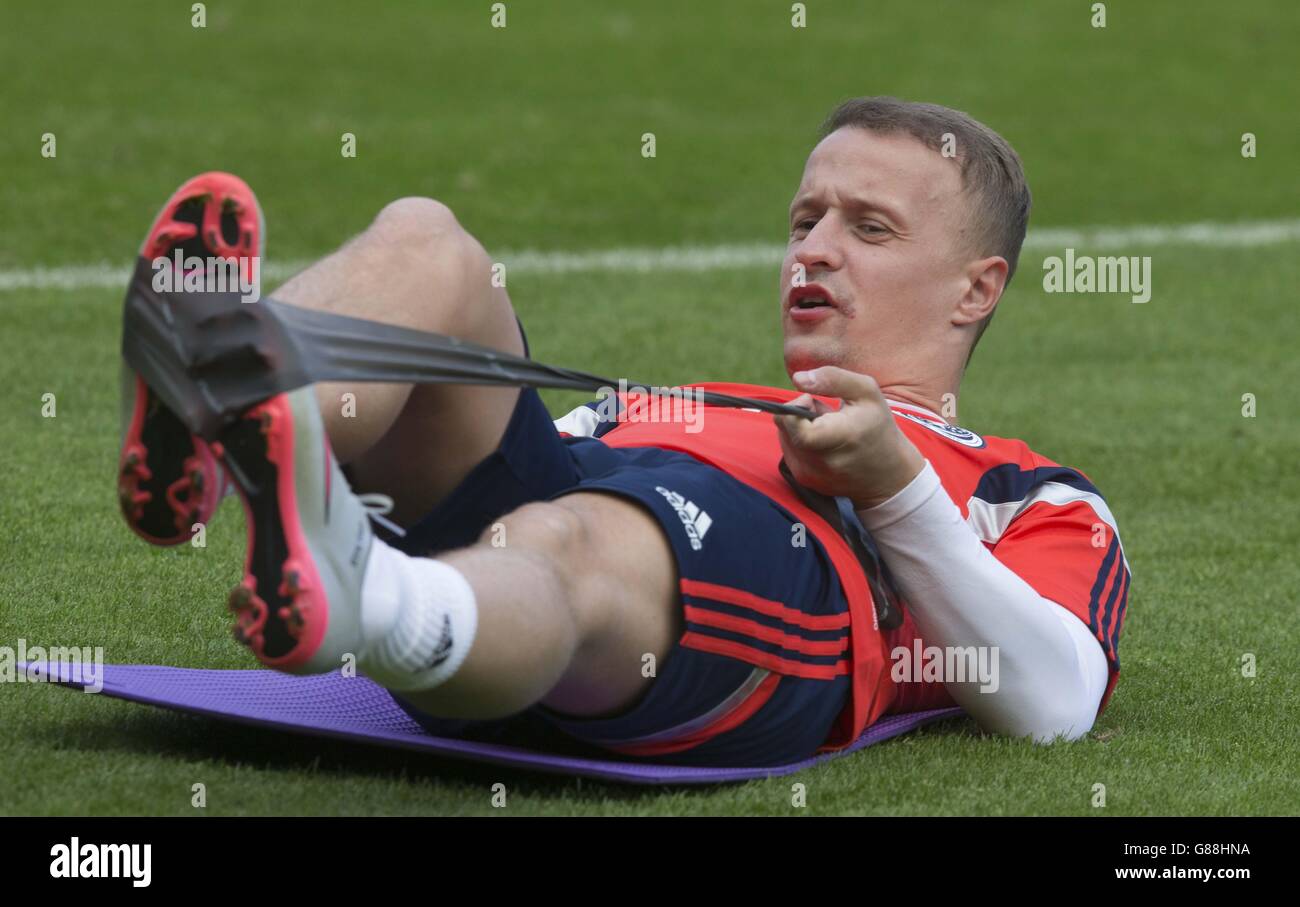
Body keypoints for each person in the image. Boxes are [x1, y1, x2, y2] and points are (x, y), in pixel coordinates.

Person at [117, 97, 1129, 768]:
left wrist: (892, 488)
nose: (812, 251)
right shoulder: (680, 400)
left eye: (866, 228)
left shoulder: (1022, 491)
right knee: (427, 236)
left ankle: (371, 595)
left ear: (975, 288)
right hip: (539, 577)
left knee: (564, 533)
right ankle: (225, 408)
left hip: (767, 605)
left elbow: (1054, 702)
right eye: (803, 220)